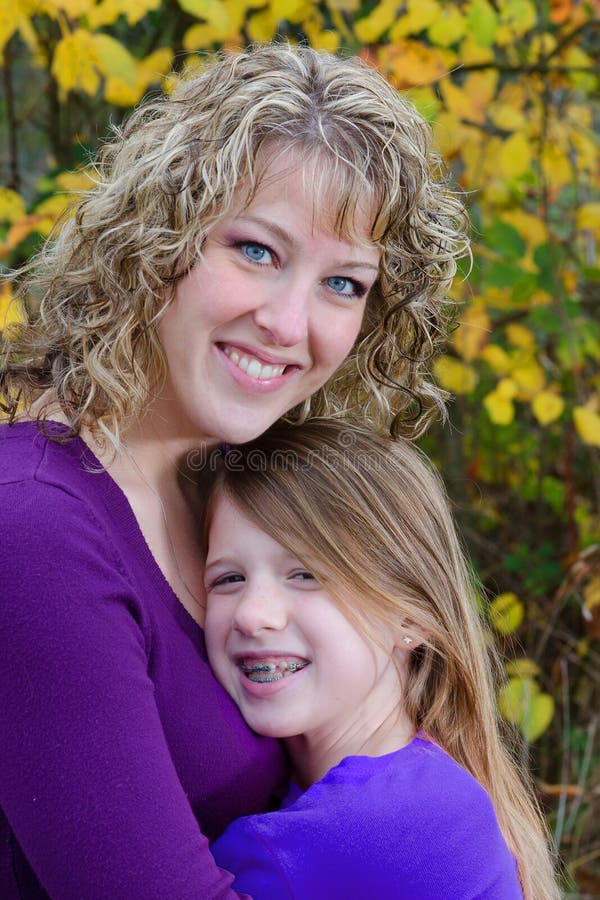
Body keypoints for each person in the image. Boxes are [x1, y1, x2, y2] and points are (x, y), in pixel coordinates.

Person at [0, 42, 468, 899]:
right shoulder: (34, 526)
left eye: (345, 284)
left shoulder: (233, 496)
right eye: (256, 250)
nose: (290, 324)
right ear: (158, 238)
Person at [191, 418, 560, 900]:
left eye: (305, 574)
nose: (252, 615)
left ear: (410, 617)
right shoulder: (430, 787)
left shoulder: (360, 829)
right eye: (227, 579)